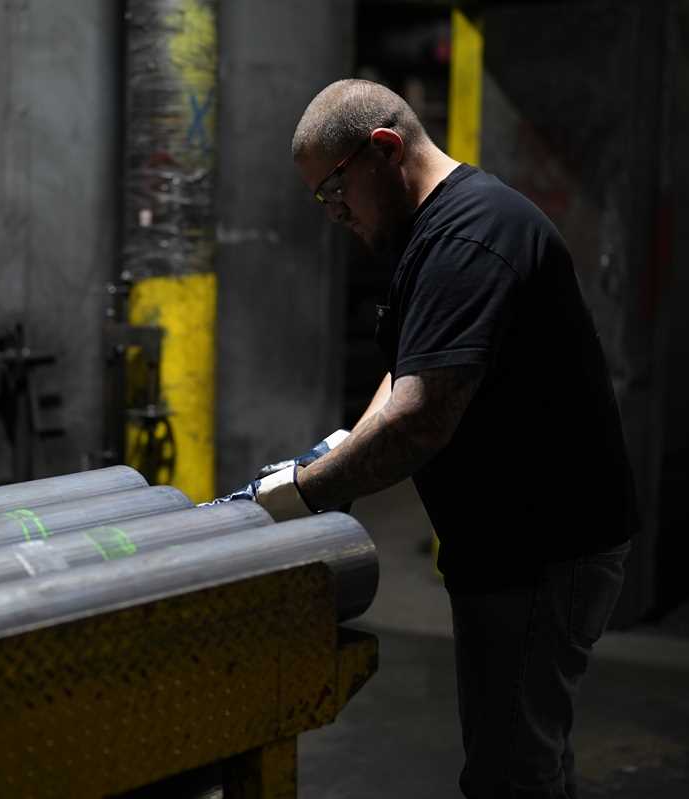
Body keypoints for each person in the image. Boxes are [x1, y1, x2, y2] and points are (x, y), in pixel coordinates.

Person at [217, 79, 638, 798]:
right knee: (527, 754)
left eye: (335, 190)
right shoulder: (435, 231)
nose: (335, 212)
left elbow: (420, 418)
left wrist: (301, 495)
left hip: (543, 550)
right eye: (322, 199)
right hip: (510, 544)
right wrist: (332, 453)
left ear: (384, 148)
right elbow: (408, 368)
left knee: (511, 774)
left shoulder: (471, 238)